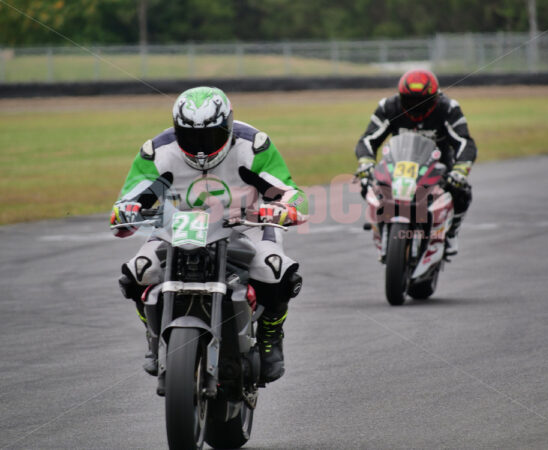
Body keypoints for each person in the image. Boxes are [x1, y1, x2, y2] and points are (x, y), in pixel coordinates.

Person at [110, 86, 307, 387]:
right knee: (137, 271)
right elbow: (130, 198)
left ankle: (270, 338)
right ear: (177, 131)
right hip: (179, 226)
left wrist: (285, 208)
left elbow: (291, 192)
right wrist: (126, 211)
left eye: (210, 136)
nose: (201, 147)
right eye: (192, 137)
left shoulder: (253, 145)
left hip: (244, 223)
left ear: (227, 126)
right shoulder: (158, 151)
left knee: (275, 269)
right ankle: (153, 337)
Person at [354, 69, 476, 256]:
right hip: (398, 167)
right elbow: (368, 140)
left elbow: (465, 142)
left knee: (462, 191)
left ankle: (451, 232)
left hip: (438, 169)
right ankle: (381, 224)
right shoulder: (388, 106)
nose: (416, 106)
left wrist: (460, 170)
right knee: (366, 182)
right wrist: (366, 163)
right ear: (401, 97)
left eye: (423, 101)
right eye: (410, 101)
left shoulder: (448, 108)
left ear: (435, 98)